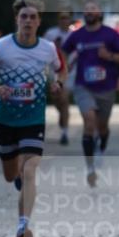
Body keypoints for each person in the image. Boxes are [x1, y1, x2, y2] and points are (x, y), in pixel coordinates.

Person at [0, 0, 66, 237]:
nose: (27, 21)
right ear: (17, 20)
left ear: (38, 21)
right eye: (23, 16)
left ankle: (22, 227)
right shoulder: (0, 47)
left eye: (32, 17)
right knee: (10, 174)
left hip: (33, 119)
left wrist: (57, 84)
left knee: (29, 171)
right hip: (4, 119)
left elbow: (60, 70)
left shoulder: (47, 48)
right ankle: (16, 179)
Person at [61, 0, 119, 187]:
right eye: (86, 9)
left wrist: (111, 56)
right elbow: (62, 52)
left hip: (107, 88)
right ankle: (90, 167)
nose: (89, 12)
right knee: (89, 121)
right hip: (83, 86)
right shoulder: (77, 35)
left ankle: (101, 148)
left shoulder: (110, 35)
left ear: (100, 13)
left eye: (93, 9)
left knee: (102, 127)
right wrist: (64, 65)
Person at [43, 10, 74, 144]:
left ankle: (64, 133)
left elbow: (79, 52)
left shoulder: (74, 35)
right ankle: (63, 116)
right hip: (53, 72)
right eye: (62, 18)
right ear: (58, 19)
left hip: (70, 72)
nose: (64, 20)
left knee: (64, 99)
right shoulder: (50, 34)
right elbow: (43, 51)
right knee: (58, 100)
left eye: (66, 18)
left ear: (70, 19)